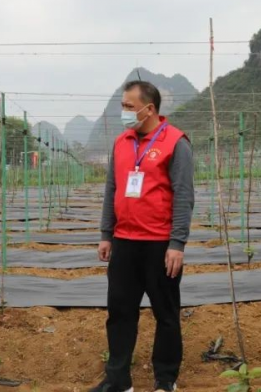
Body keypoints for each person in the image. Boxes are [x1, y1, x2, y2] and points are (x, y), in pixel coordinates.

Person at [91, 80, 195, 392]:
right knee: (120, 313)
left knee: (166, 313)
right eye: (122, 104)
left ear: (148, 109)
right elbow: (112, 189)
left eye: (128, 106)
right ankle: (118, 380)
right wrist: (106, 233)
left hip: (160, 244)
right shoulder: (121, 142)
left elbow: (183, 195)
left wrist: (177, 243)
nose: (123, 111)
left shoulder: (176, 142)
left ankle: (165, 380)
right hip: (124, 243)